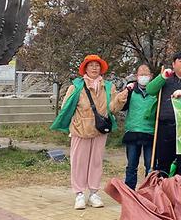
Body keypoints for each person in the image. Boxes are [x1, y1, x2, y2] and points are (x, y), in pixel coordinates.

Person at [51, 54, 126, 209]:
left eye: (97, 65)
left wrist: (120, 100)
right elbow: (66, 108)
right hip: (80, 130)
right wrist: (72, 125)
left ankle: (93, 193)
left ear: (101, 68)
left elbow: (112, 109)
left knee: (96, 162)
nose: (94, 68)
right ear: (85, 68)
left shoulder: (108, 86)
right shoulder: (75, 86)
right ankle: (79, 193)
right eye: (90, 65)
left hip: (100, 130)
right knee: (78, 162)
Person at [120, 63, 157, 189]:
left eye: (146, 74)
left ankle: (149, 190)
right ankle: (129, 190)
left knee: (150, 165)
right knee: (131, 165)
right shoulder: (131, 90)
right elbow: (121, 106)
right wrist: (126, 92)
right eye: (141, 74)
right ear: (136, 76)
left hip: (151, 132)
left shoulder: (157, 92)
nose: (143, 77)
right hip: (133, 131)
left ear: (151, 76)